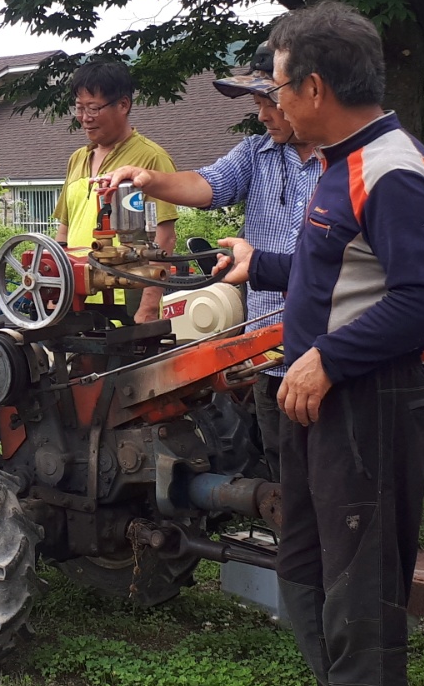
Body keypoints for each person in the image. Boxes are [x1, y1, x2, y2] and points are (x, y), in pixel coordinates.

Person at [218, 1, 424, 686]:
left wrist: (327, 356)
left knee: (361, 595)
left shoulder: (391, 171)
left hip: (370, 406)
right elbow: (336, 270)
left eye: (278, 86)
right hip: (316, 402)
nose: (273, 103)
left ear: (314, 85)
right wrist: (257, 265)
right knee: (306, 576)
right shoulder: (335, 163)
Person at [105, 43, 321, 479]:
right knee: (282, 462)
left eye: (269, 102)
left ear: (306, 95)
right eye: (258, 103)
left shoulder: (345, 164)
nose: (262, 114)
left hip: (327, 350)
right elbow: (206, 183)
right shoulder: (257, 153)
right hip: (269, 349)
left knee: (331, 472)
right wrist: (150, 181)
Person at [53, 58, 177, 323]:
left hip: (126, 294)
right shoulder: (77, 158)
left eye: (94, 108)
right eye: (79, 108)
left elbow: (165, 238)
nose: (85, 118)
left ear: (123, 105)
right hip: (77, 294)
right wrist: (55, 285)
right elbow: (63, 231)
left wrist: (148, 306)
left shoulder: (150, 158)